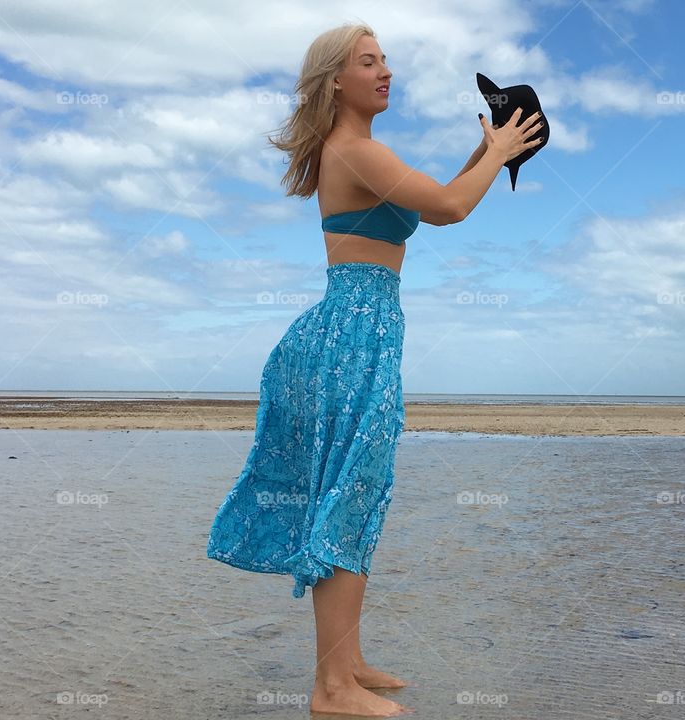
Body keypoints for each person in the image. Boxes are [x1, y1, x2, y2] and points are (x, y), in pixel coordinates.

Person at [206, 22, 543, 718]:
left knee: (354, 494)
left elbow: (439, 201)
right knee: (349, 497)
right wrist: (504, 148)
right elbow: (450, 206)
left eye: (385, 60)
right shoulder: (356, 149)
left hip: (355, 333)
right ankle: (331, 692)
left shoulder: (360, 152)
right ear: (335, 80)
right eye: (369, 62)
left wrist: (485, 150)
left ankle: (347, 665)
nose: (385, 71)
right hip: (351, 337)